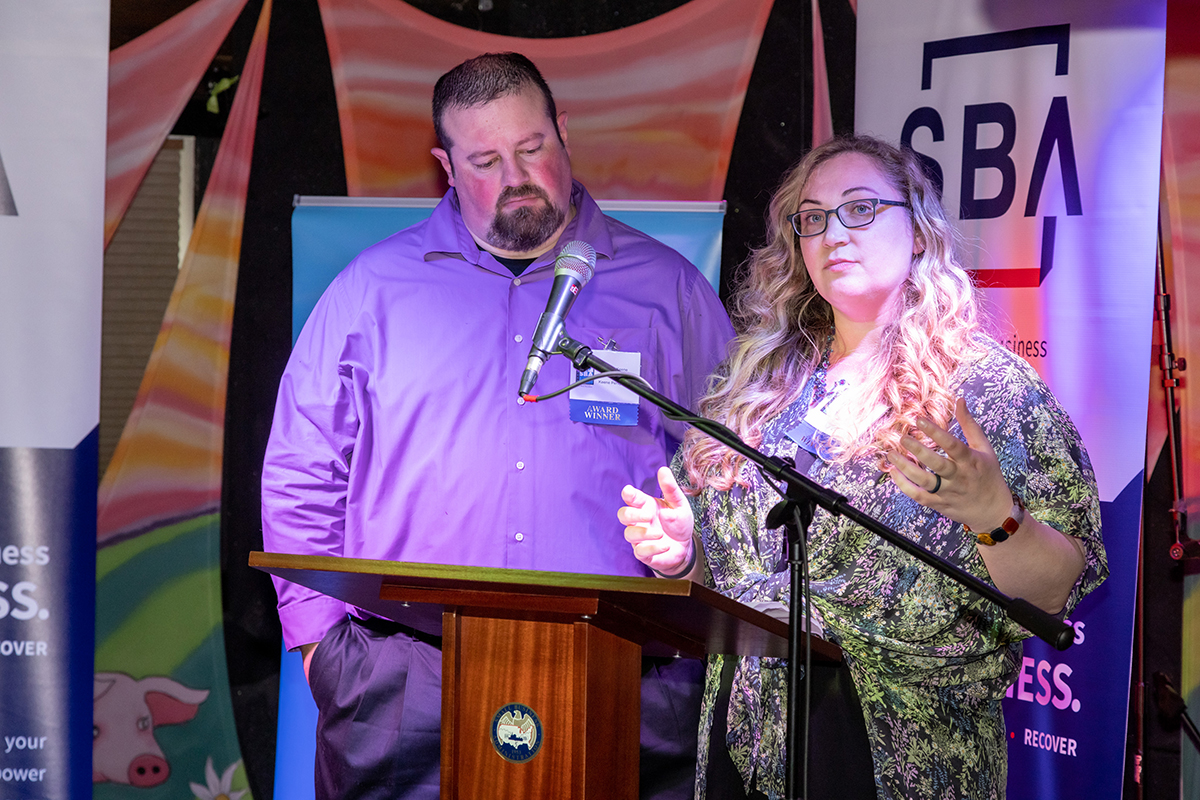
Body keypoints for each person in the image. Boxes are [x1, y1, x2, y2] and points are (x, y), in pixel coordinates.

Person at [261, 52, 734, 799]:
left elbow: (732, 469)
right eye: (485, 161)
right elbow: (302, 469)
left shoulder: (666, 289)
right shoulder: (370, 291)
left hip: (623, 669)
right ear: (446, 168)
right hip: (405, 676)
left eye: (532, 148)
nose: (516, 176)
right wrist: (320, 645)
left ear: (564, 133)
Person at [618, 135, 1107, 799]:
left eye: (860, 209)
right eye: (813, 218)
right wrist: (684, 556)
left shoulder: (985, 388)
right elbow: (725, 582)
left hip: (903, 759)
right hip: (747, 741)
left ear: (918, 230)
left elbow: (1056, 592)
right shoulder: (759, 384)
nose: (833, 234)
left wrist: (995, 515)